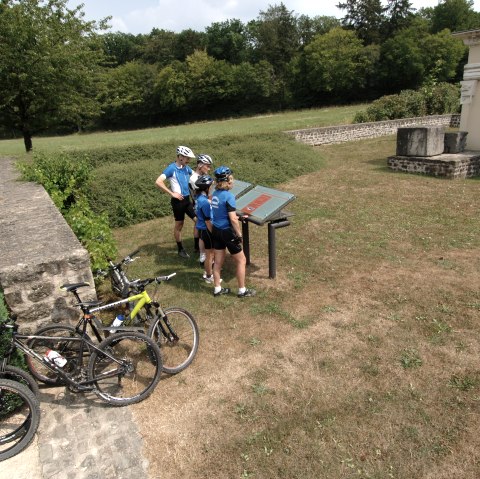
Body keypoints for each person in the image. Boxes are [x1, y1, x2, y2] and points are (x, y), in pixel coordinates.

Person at [211, 166, 256, 298]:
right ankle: (242, 291)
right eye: (232, 179)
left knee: (218, 261)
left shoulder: (215, 194)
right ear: (227, 181)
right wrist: (239, 235)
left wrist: (236, 217)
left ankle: (217, 289)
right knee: (241, 260)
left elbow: (222, 213)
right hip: (226, 231)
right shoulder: (229, 196)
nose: (233, 181)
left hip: (216, 230)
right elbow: (232, 219)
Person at [155, 145, 196, 258]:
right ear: (180, 157)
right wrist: (172, 193)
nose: (189, 160)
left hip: (188, 200)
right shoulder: (171, 168)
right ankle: (180, 249)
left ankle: (198, 246)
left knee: (198, 221)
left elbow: (196, 177)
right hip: (178, 202)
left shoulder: (186, 168)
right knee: (179, 225)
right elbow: (158, 181)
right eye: (187, 158)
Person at [189, 154, 213, 264]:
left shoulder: (200, 176)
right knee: (204, 230)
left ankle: (201, 252)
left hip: (200, 204)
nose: (209, 168)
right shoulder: (194, 179)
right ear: (200, 165)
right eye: (207, 166)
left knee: (201, 228)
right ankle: (204, 255)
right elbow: (204, 194)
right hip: (200, 205)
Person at [194, 175, 215, 283]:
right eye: (211, 185)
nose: (212, 187)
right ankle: (209, 276)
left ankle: (208, 273)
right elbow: (208, 220)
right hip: (207, 229)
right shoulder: (205, 202)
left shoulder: (198, 198)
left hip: (201, 227)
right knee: (210, 255)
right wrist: (213, 233)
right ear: (206, 188)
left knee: (208, 254)